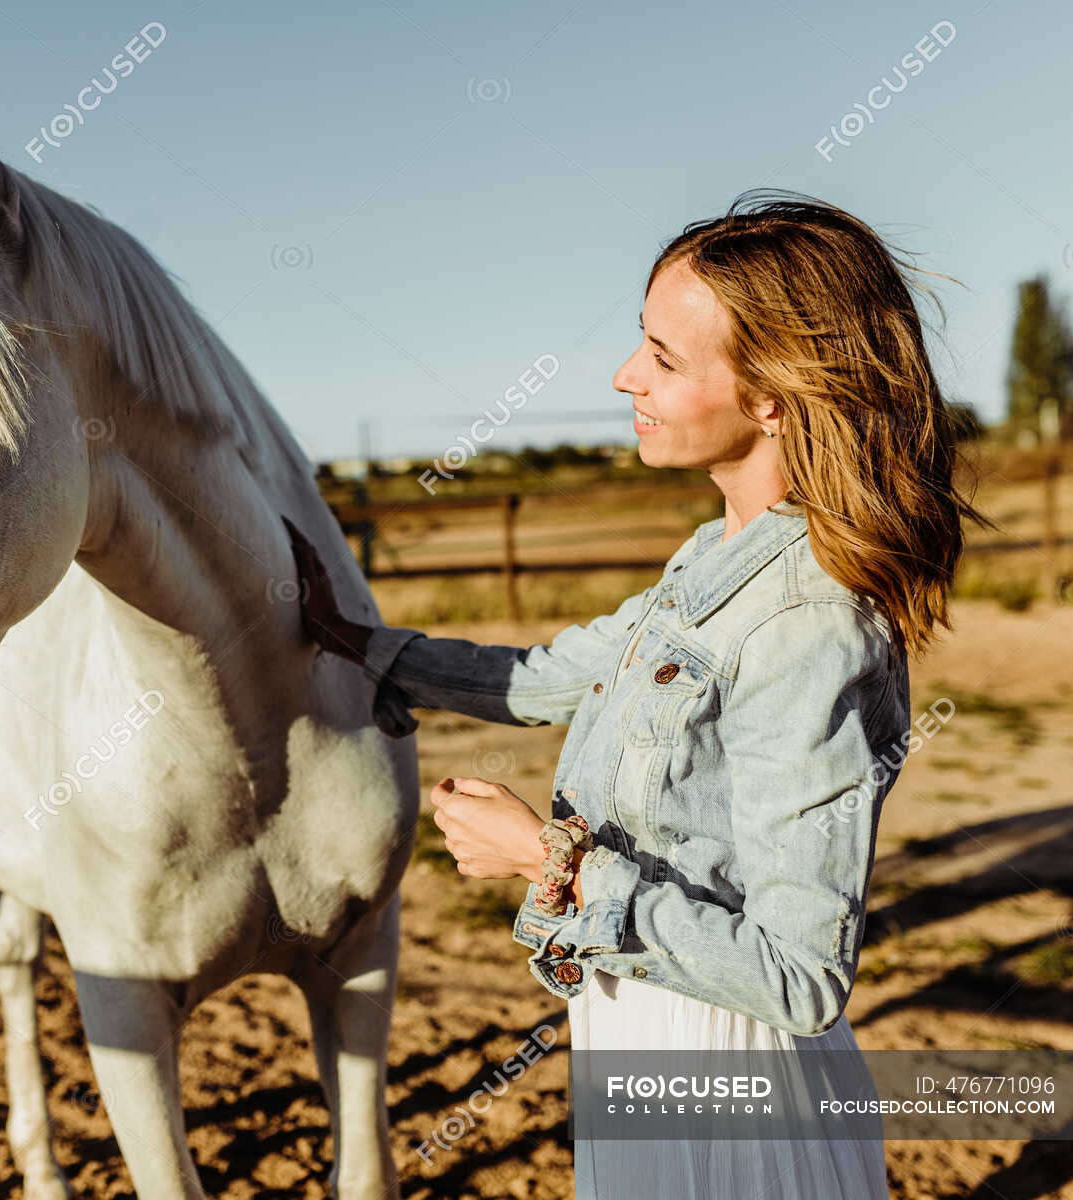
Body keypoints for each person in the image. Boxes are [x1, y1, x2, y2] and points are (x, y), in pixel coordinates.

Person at [284, 191, 985, 1198]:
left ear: (773, 395)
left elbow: (801, 976)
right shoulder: (715, 555)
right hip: (643, 1047)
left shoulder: (810, 623)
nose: (625, 377)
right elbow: (555, 674)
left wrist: (548, 859)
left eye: (663, 356)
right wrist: (364, 648)